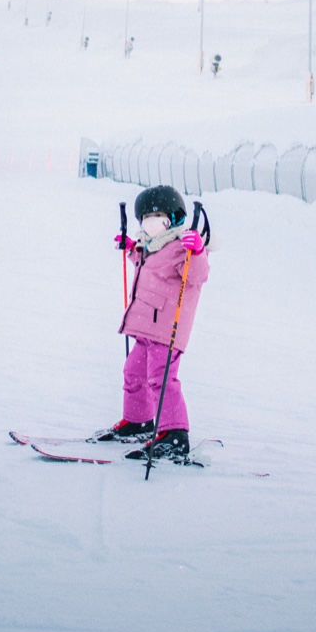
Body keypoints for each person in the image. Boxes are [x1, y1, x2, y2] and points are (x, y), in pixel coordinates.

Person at [96, 184, 210, 462]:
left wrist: (197, 252)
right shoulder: (150, 247)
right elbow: (146, 264)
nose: (150, 221)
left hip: (167, 330)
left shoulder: (180, 247)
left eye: (157, 215)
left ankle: (174, 433)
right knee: (133, 372)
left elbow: (196, 275)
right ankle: (139, 420)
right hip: (146, 328)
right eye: (145, 217)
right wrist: (130, 249)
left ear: (173, 217)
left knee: (161, 379)